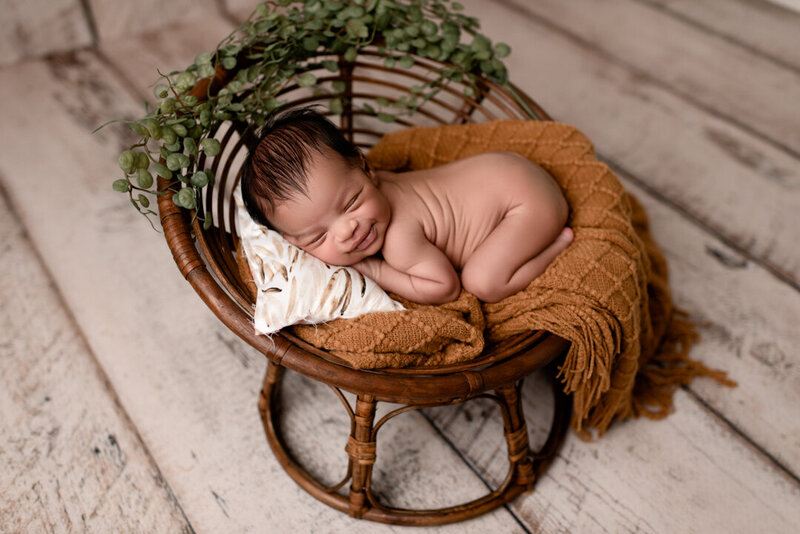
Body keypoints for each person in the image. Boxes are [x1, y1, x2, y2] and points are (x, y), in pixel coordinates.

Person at [241, 107, 573, 305]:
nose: (348, 230)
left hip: (526, 205)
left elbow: (445, 288)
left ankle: (558, 244)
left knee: (481, 282)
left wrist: (374, 270)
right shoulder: (378, 185)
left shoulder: (400, 240)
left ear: (366, 167)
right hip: (509, 169)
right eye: (317, 238)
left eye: (352, 202)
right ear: (293, 243)